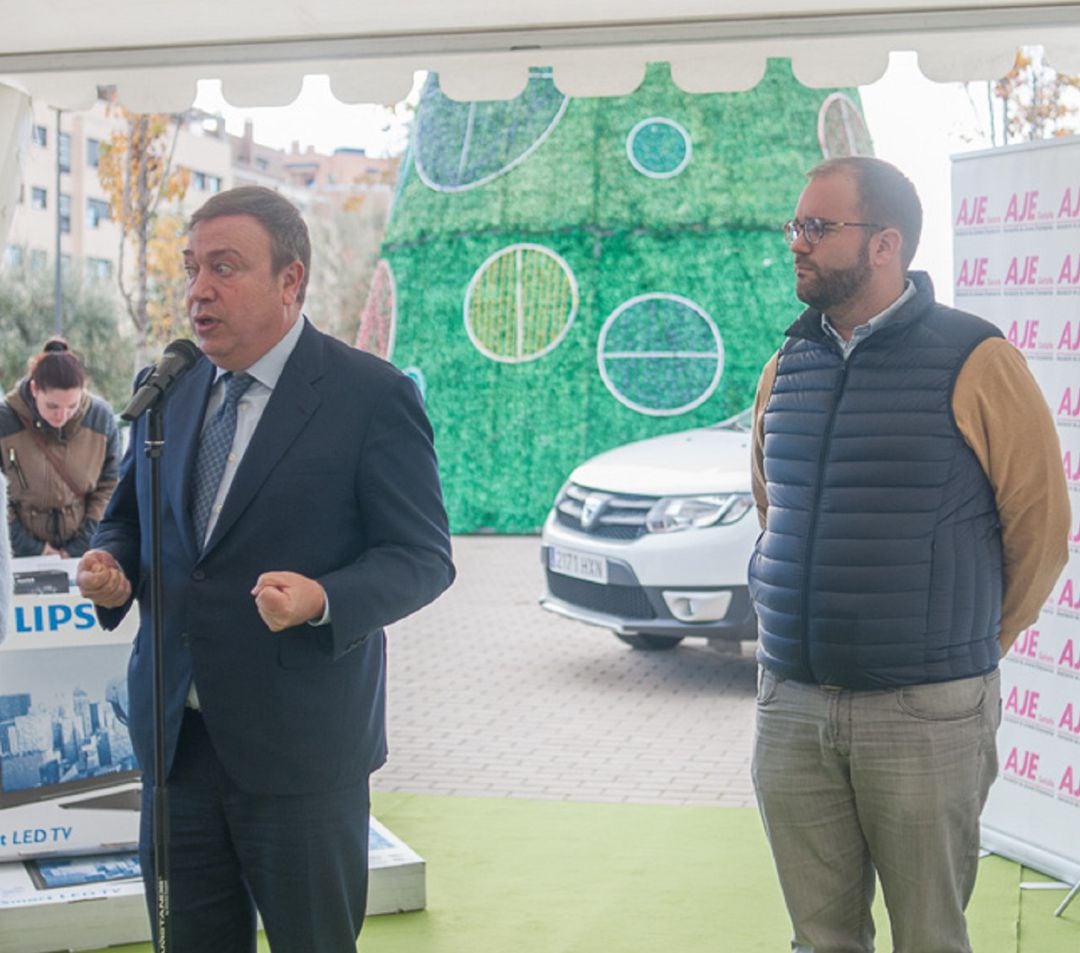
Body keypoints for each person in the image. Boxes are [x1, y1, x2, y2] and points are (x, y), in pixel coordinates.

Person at [76, 186, 455, 953]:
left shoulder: (369, 396)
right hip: (175, 748)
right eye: (191, 269)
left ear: (292, 281)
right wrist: (114, 564)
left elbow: (422, 557)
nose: (199, 290)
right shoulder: (167, 388)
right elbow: (127, 518)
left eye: (225, 267)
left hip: (302, 757)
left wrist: (324, 597)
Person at [748, 156, 1070, 953]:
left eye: (818, 228)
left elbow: (1039, 528)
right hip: (791, 704)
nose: (799, 242)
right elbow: (771, 504)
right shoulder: (785, 365)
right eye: (796, 225)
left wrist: (964, 652)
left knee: (929, 938)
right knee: (820, 940)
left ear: (886, 243)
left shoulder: (977, 358)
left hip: (927, 714)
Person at [0, 338, 120, 558]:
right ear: (35, 389)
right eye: (52, 406)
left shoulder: (101, 416)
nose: (62, 416)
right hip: (16, 552)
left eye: (72, 406)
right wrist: (34, 549)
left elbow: (110, 485)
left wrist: (79, 547)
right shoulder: (4, 418)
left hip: (86, 552)